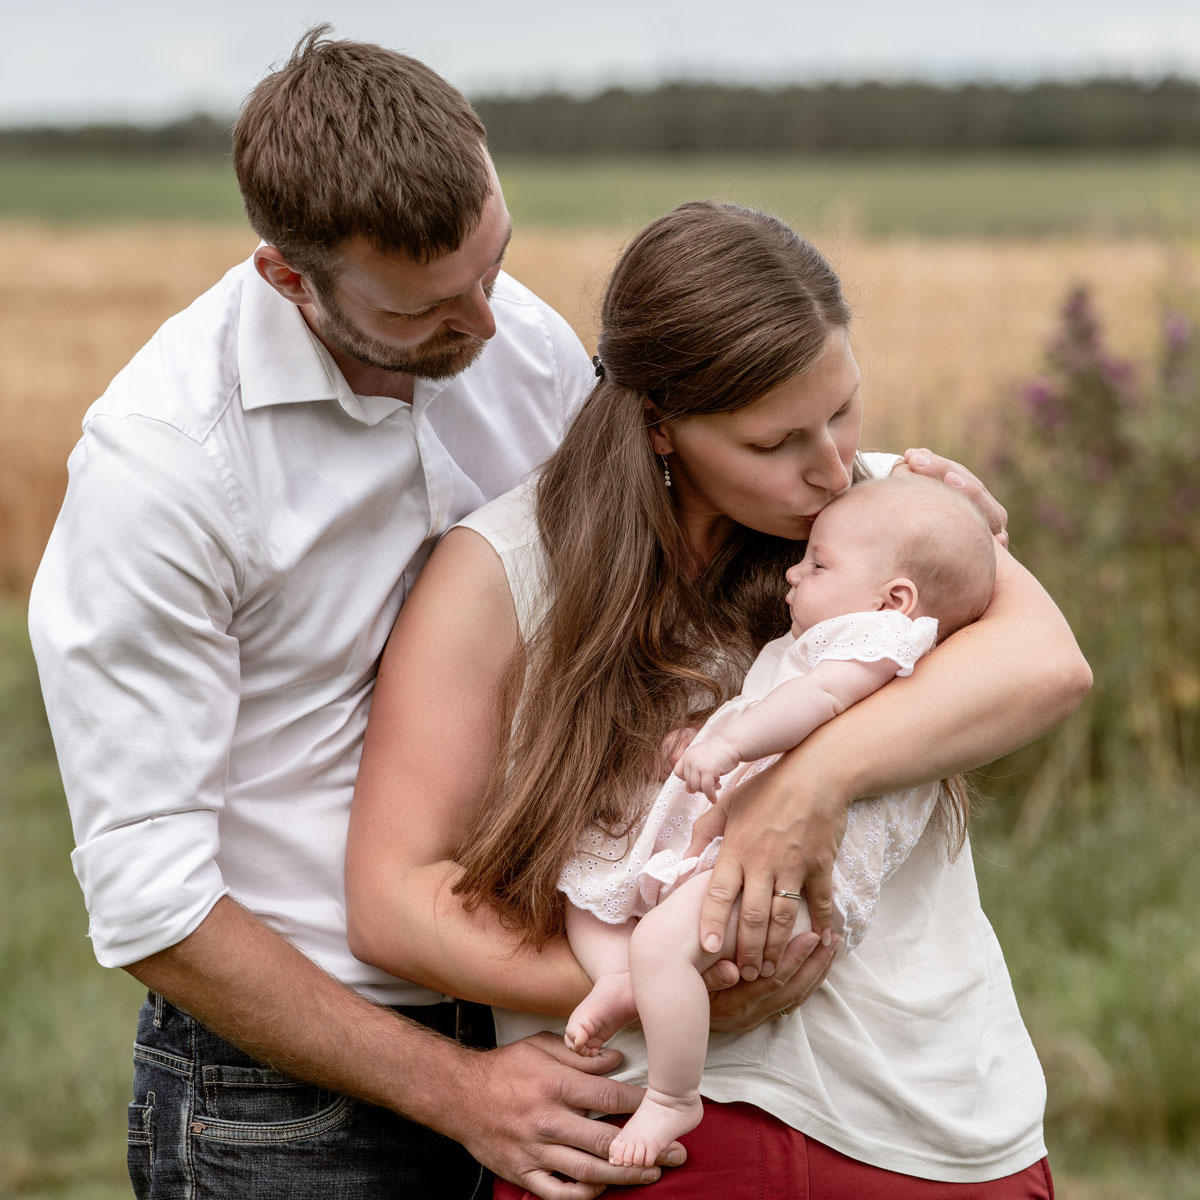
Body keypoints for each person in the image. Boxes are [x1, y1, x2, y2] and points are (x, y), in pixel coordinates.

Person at [27, 27, 710, 1200]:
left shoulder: (515, 336)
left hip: (542, 1019)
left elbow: (676, 505)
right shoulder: (164, 472)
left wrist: (888, 494)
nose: (488, 329)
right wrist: (455, 1092)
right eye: (427, 314)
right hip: (286, 1106)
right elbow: (153, 902)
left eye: (494, 268)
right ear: (288, 277)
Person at [346, 201, 1091, 1198]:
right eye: (775, 442)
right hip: (652, 1132)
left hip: (936, 1125)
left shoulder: (893, 518)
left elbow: (1050, 665)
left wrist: (809, 784)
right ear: (659, 425)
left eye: (843, 410)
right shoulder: (502, 574)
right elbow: (392, 900)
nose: (831, 468)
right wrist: (660, 985)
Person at [558, 474, 998, 1167]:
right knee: (589, 891)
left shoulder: (881, 641)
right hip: (741, 843)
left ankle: (674, 1094)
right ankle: (620, 980)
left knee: (661, 946)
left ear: (895, 598)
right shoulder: (830, 642)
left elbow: (817, 702)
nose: (795, 572)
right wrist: (701, 741)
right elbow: (774, 709)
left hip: (786, 872)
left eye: (819, 564)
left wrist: (730, 745)